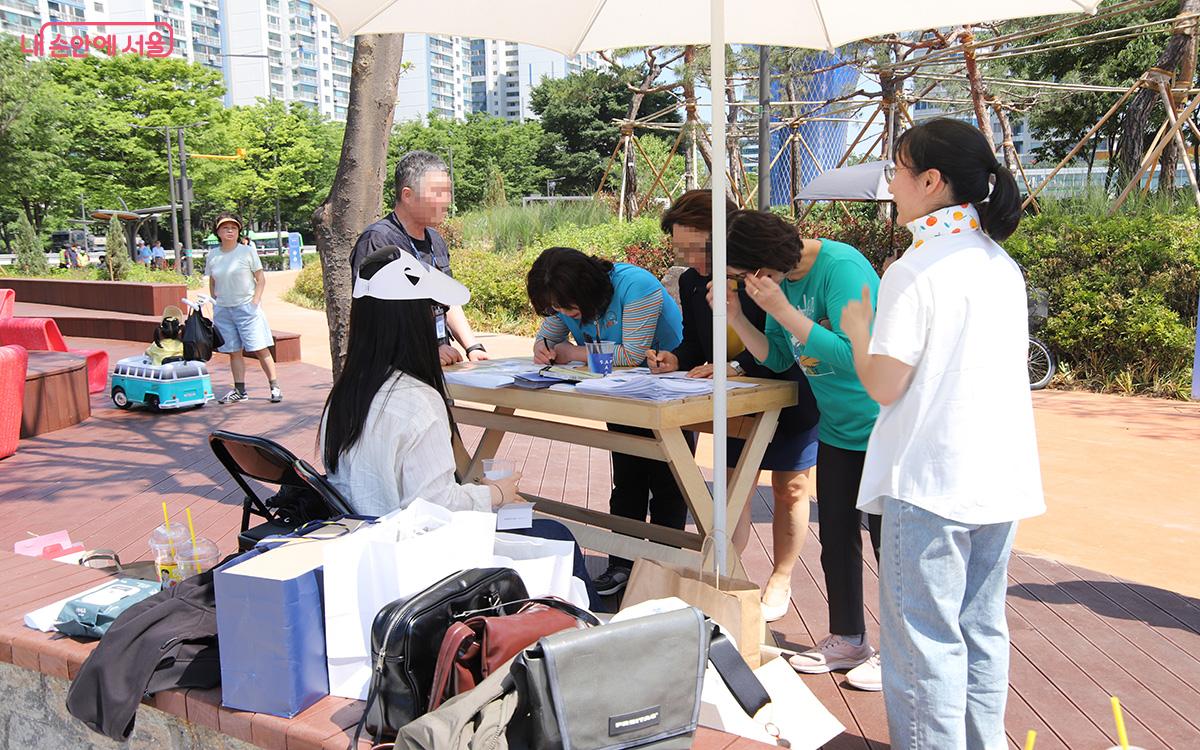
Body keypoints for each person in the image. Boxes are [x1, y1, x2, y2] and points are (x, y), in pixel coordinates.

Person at [840, 118, 1042, 748]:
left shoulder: (916, 266)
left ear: (931, 181)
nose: (890, 183)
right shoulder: (997, 262)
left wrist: (856, 328)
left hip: (928, 478)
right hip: (998, 476)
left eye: (896, 170)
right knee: (981, 632)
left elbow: (884, 384)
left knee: (924, 645)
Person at [322, 247, 599, 607]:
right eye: (433, 313)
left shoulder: (347, 391)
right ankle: (589, 640)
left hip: (369, 547)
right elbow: (438, 509)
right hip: (418, 561)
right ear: (413, 324)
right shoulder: (417, 400)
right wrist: (496, 494)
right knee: (555, 534)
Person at [721, 210, 882, 687]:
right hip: (837, 427)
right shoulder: (778, 285)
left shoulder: (841, 266)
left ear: (765, 261)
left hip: (884, 426)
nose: (746, 283)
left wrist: (783, 309)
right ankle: (849, 637)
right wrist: (736, 317)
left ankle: (902, 654)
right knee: (835, 538)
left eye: (744, 274)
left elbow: (857, 354)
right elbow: (777, 356)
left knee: (890, 546)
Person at [647, 190, 821, 623]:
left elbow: (781, 344)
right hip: (734, 404)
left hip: (788, 395)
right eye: (681, 250)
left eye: (698, 248)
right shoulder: (690, 282)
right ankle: (727, 579)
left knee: (791, 488)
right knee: (730, 489)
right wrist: (676, 358)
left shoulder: (762, 277)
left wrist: (735, 364)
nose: (691, 259)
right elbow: (694, 342)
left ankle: (781, 575)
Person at [527, 246, 684, 596]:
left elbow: (632, 356)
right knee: (627, 479)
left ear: (586, 290)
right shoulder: (564, 298)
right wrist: (543, 345)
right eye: (556, 307)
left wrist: (574, 353)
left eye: (568, 307)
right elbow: (549, 333)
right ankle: (622, 565)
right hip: (621, 395)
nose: (565, 314)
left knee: (668, 484)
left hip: (670, 390)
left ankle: (664, 569)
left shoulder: (636, 285)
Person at [350, 150, 488, 366]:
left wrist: (472, 346)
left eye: (448, 192)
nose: (447, 202)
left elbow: (447, 299)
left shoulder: (435, 239)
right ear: (407, 195)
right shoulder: (379, 241)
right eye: (438, 193)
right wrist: (427, 350)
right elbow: (377, 319)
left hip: (437, 363)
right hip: (394, 371)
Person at [206, 211, 282, 404]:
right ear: (218, 232)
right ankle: (239, 390)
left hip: (246, 308)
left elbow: (260, 279)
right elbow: (213, 281)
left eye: (233, 227)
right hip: (223, 309)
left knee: (259, 348)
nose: (229, 230)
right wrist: (215, 301)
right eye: (225, 227)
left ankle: (274, 387)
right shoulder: (213, 255)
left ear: (239, 231)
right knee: (234, 351)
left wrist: (255, 302)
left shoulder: (247, 251)